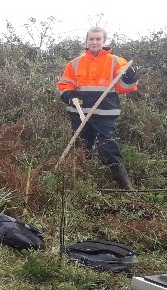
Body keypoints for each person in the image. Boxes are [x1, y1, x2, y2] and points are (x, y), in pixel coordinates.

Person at [57, 26, 139, 190]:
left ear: (103, 41)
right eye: (91, 39)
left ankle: (125, 188)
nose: (94, 42)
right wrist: (70, 97)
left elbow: (127, 86)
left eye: (98, 39)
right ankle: (80, 186)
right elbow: (64, 85)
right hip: (79, 114)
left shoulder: (116, 61)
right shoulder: (74, 64)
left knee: (108, 148)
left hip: (104, 114)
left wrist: (131, 74)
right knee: (81, 148)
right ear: (86, 41)